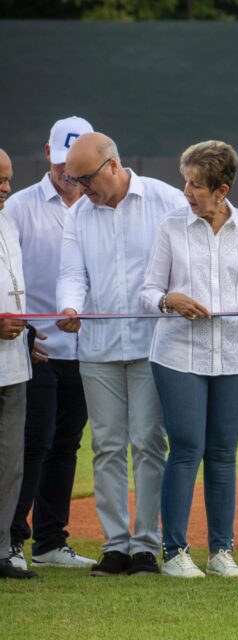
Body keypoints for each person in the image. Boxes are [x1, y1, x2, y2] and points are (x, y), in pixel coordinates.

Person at [139, 141, 238, 578]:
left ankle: (222, 552)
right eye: (186, 182)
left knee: (222, 452)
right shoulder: (170, 226)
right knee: (186, 448)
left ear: (222, 188)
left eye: (196, 185)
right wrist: (169, 299)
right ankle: (175, 553)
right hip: (179, 354)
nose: (186, 191)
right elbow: (146, 292)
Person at [57, 132, 188, 576]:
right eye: (74, 180)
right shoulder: (78, 214)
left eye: (85, 178)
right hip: (97, 347)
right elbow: (73, 273)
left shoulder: (166, 200)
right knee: (107, 445)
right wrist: (70, 307)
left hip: (153, 344)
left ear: (112, 165)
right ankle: (116, 545)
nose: (80, 188)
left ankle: (146, 546)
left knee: (149, 443)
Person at [4, 116, 94, 570]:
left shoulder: (99, 205)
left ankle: (50, 541)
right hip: (33, 345)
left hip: (83, 349)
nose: (68, 172)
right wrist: (22, 334)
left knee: (66, 443)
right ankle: (13, 539)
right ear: (47, 154)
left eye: (75, 164)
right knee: (31, 443)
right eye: (61, 162)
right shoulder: (18, 207)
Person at [0, 148, 38, 579]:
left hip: (13, 365)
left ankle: (3, 550)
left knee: (10, 462)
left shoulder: (8, 220)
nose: (7, 188)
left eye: (8, 179)